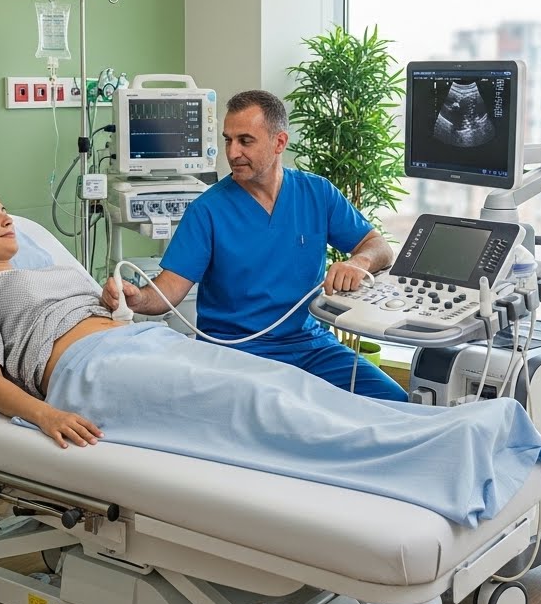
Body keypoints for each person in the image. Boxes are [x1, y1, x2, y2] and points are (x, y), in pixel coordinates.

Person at [0, 185, 541, 527]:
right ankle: (445, 454)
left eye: (5, 212)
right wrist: (45, 415)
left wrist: (114, 301)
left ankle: (457, 431)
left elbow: (375, 244)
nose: (7, 221)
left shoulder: (55, 268)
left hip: (143, 344)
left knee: (293, 389)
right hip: (89, 374)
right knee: (261, 401)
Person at [99, 89, 408, 401]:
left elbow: (379, 246)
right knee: (279, 414)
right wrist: (137, 298)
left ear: (279, 142)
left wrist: (358, 263)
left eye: (245, 141)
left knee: (393, 400)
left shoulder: (317, 194)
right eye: (228, 140)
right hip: (236, 353)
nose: (232, 152)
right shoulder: (208, 211)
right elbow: (169, 290)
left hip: (311, 347)